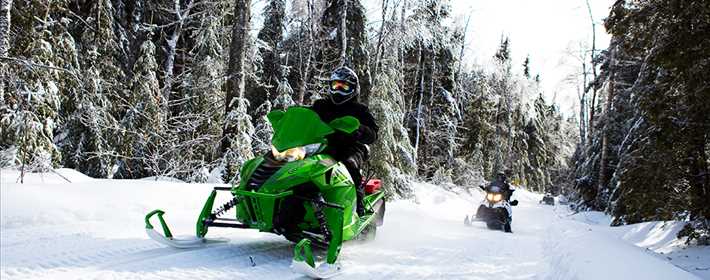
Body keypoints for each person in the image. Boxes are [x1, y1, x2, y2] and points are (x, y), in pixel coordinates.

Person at [311, 66, 379, 216]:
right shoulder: (321, 106)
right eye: (335, 85)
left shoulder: (360, 110)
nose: (338, 90)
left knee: (348, 164)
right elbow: (306, 118)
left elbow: (373, 133)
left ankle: (358, 207)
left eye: (344, 86)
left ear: (353, 89)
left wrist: (360, 130)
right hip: (323, 146)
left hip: (352, 147)